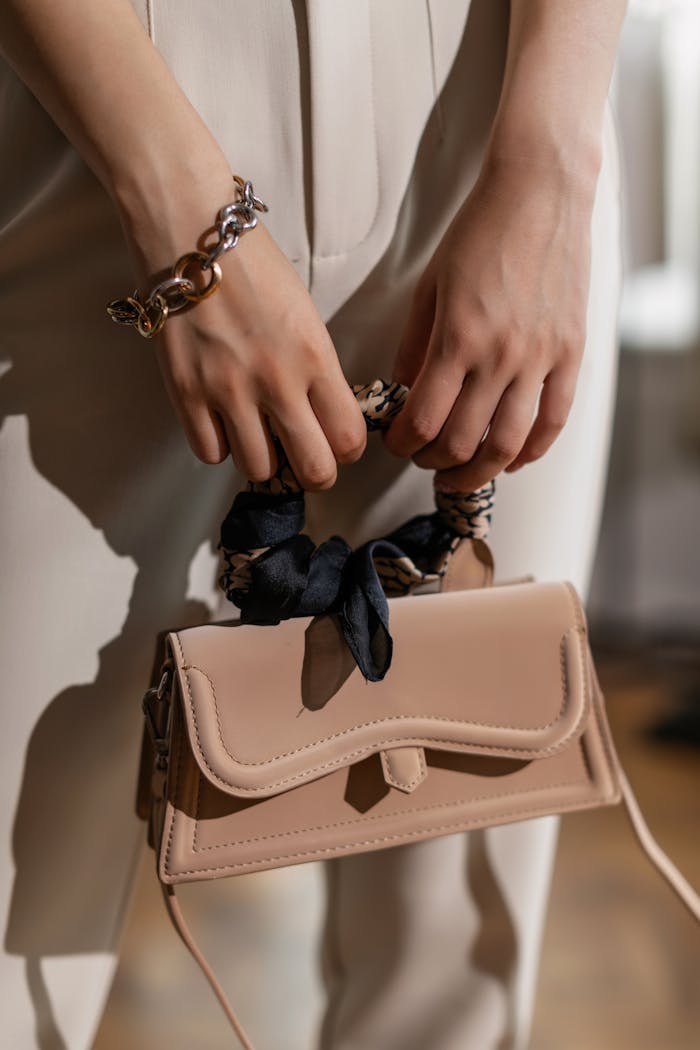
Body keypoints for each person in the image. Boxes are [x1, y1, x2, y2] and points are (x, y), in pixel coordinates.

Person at [0, 1, 627, 1047]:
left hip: (500, 120)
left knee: (455, 963)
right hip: (92, 122)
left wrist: (552, 159)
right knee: (18, 916)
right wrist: (173, 205)